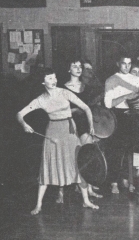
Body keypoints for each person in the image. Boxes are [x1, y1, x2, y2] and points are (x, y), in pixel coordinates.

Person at [16, 68, 99, 215]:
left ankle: (86, 201)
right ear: (43, 82)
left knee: (77, 164)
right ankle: (39, 205)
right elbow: (19, 114)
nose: (53, 81)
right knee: (48, 166)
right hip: (52, 133)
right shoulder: (40, 99)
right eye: (49, 78)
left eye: (54, 78)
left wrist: (91, 126)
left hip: (69, 130)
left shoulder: (64, 92)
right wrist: (24, 124)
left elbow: (86, 108)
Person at [104, 54, 139, 194]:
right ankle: (113, 182)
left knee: (132, 149)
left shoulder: (136, 79)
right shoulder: (111, 80)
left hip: (135, 116)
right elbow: (108, 104)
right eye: (124, 63)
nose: (127, 66)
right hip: (118, 116)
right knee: (117, 151)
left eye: (129, 64)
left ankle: (127, 179)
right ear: (118, 64)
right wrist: (125, 97)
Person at [60, 59, 103, 201]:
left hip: (84, 124)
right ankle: (68, 189)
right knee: (71, 157)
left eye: (80, 67)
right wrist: (75, 109)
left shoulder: (87, 87)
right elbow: (59, 109)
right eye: (74, 66)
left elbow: (90, 108)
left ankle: (89, 189)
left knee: (88, 155)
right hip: (69, 124)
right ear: (68, 69)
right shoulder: (62, 88)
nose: (78, 69)